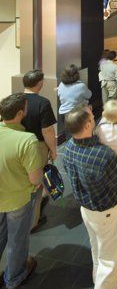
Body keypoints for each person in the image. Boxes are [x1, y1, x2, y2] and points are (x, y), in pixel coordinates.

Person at [63, 105, 117, 289]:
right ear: (86, 126)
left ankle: (96, 277)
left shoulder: (68, 147)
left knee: (98, 249)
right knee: (111, 260)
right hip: (107, 212)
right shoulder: (102, 154)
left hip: (87, 210)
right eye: (92, 118)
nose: (96, 119)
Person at [0, 93, 43, 288]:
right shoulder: (27, 140)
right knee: (17, 240)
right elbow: (34, 178)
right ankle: (14, 277)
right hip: (17, 199)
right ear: (20, 113)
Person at [22, 69, 57, 231]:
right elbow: (47, 131)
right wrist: (53, 149)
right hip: (37, 147)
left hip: (17, 146)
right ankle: (32, 223)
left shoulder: (13, 100)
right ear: (39, 83)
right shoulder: (42, 103)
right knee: (36, 185)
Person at [57, 64, 92, 136]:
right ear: (76, 74)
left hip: (64, 114)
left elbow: (60, 95)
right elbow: (89, 95)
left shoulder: (61, 84)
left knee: (69, 136)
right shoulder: (80, 86)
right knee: (80, 134)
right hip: (77, 113)